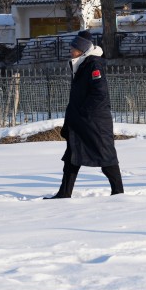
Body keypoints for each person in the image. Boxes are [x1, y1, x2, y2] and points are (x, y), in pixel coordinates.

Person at [47, 31, 124, 198]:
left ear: (82, 50)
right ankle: (64, 193)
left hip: (94, 122)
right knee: (72, 158)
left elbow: (100, 94)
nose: (70, 49)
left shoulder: (93, 65)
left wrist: (84, 112)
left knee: (106, 158)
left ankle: (118, 193)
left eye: (73, 47)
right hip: (80, 121)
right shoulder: (81, 64)